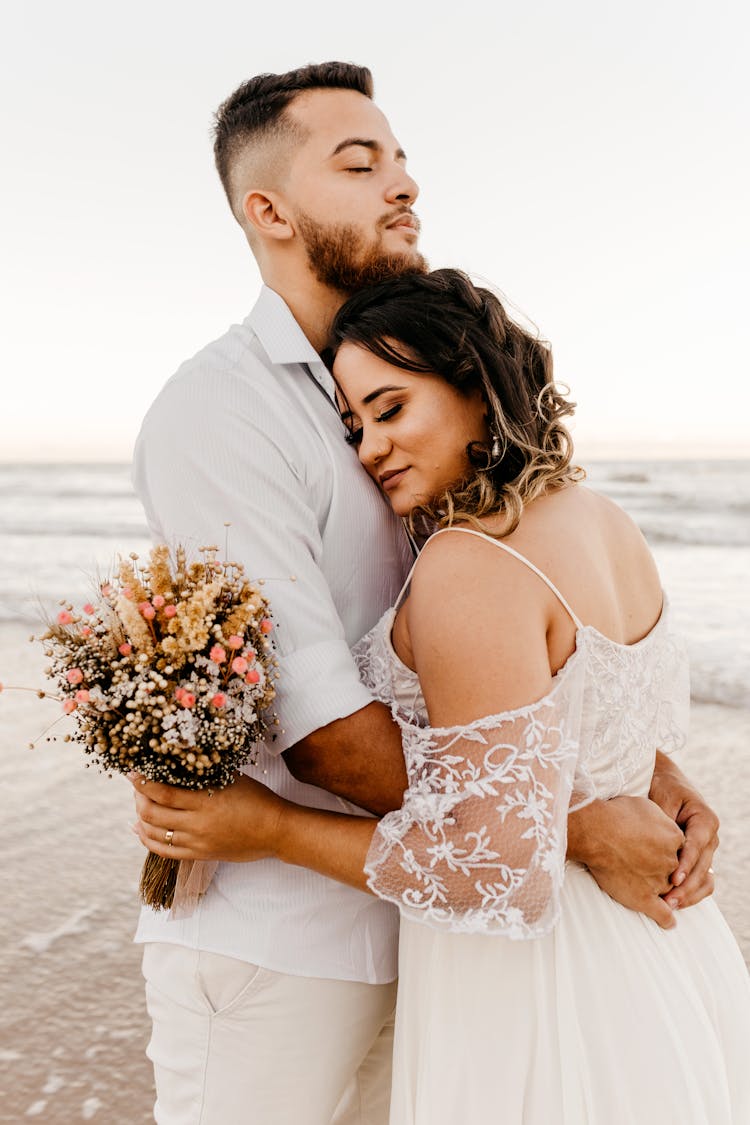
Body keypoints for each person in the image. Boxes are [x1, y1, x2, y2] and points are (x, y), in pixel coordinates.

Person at [131, 65, 721, 1124]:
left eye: (403, 164)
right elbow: (318, 727)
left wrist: (645, 764)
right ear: (267, 211)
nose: (402, 187)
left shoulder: (410, 411)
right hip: (290, 951)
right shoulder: (222, 413)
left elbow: (532, 655)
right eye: (360, 165)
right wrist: (582, 822)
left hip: (447, 933)